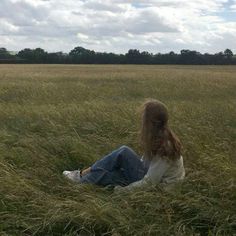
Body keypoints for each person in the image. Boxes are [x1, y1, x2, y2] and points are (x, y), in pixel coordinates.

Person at [63, 99, 185, 191]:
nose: (141, 121)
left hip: (158, 190)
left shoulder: (165, 147)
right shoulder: (158, 137)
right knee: (110, 174)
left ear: (150, 122)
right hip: (151, 180)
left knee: (123, 151)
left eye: (143, 118)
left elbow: (149, 183)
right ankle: (80, 183)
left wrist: (123, 191)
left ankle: (80, 178)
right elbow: (145, 165)